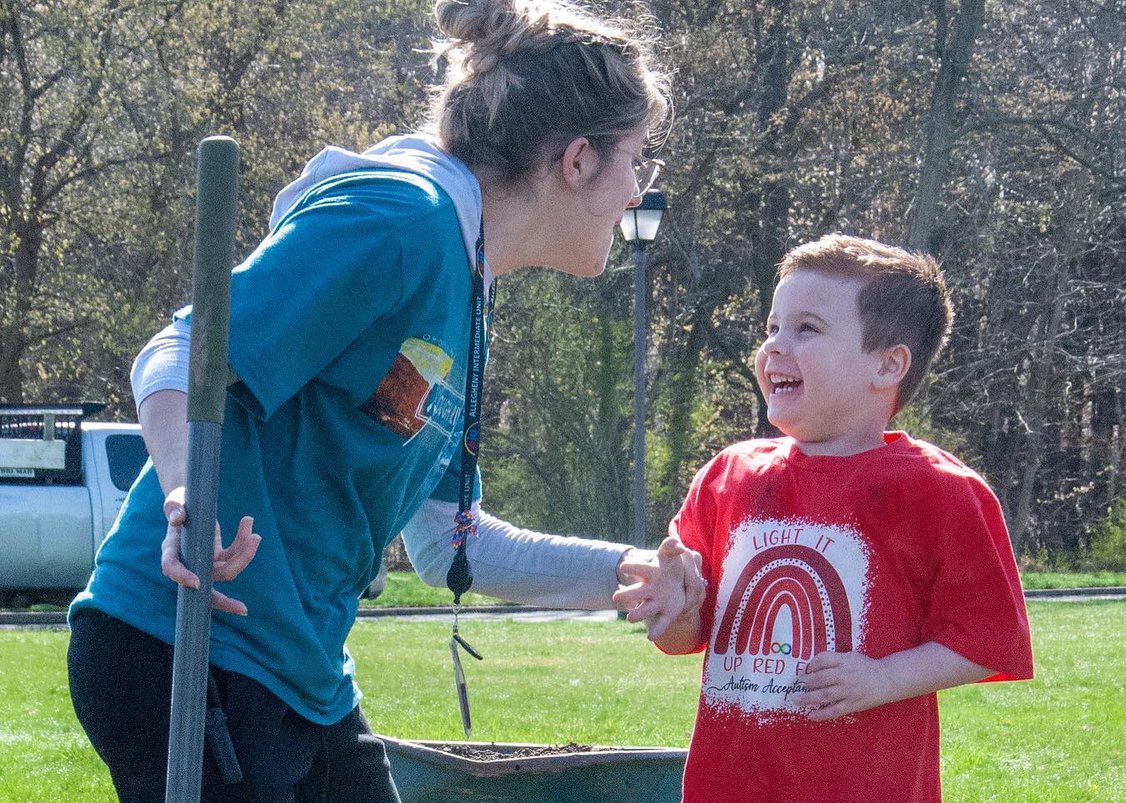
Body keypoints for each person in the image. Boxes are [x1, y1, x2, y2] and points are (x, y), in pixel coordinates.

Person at [66, 1, 694, 800]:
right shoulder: (407, 217)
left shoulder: (469, 281)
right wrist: (189, 490)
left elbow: (447, 543)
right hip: (182, 645)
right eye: (639, 161)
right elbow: (185, 349)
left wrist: (628, 569)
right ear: (577, 161)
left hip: (303, 675)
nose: (638, 190)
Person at [617, 234, 1035, 801]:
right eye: (772, 328)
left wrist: (883, 678)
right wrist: (675, 609)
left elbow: (989, 640)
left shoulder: (940, 491)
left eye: (806, 329)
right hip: (729, 785)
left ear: (888, 365)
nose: (774, 348)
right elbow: (684, 638)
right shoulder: (728, 476)